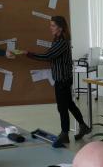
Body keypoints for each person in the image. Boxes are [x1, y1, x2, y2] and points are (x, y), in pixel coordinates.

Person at [26, 16, 91, 144]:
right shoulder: (58, 40)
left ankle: (64, 134)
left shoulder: (62, 42)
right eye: (50, 25)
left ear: (60, 28)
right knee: (69, 104)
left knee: (62, 107)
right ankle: (83, 127)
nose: (50, 28)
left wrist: (30, 54)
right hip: (62, 79)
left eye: (53, 26)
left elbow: (48, 55)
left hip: (62, 80)